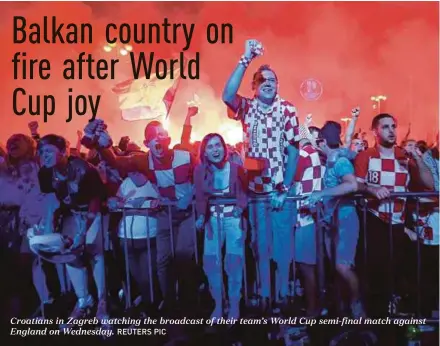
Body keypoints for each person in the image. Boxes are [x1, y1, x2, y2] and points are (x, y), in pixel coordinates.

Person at [83, 120, 198, 315]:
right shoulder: (144, 160)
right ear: (146, 143)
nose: (158, 140)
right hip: (164, 214)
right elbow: (115, 162)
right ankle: (170, 303)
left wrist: (191, 194)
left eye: (161, 135)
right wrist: (103, 143)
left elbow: (203, 177)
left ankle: (189, 302)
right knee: (162, 262)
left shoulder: (186, 156)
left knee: (183, 257)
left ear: (169, 139)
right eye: (153, 137)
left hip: (185, 214)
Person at [222, 39, 300, 309]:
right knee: (261, 249)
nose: (269, 83)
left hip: (279, 194)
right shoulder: (247, 107)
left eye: (273, 80)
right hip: (256, 194)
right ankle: (265, 298)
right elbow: (226, 95)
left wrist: (286, 188)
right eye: (262, 79)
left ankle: (281, 299)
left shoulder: (288, 109)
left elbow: (293, 151)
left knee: (282, 252)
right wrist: (246, 59)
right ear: (254, 87)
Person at [354, 113, 434, 317]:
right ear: (375, 131)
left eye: (393, 126)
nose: (391, 130)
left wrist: (417, 158)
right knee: (377, 270)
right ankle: (377, 316)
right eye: (386, 127)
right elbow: (356, 184)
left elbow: (429, 184)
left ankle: (396, 310)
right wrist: (371, 189)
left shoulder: (404, 157)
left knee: (398, 268)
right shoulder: (367, 155)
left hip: (398, 222)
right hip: (374, 219)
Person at [32, 134, 109, 327]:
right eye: (41, 152)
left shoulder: (84, 169)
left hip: (91, 213)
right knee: (70, 255)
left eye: (49, 151)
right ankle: (83, 300)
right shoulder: (45, 173)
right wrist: (46, 224)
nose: (44, 156)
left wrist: (84, 231)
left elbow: (95, 200)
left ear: (63, 152)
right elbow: (51, 200)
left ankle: (103, 303)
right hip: (70, 213)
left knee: (94, 253)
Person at [307, 121, 365, 318]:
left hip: (346, 219)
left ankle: (358, 306)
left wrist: (322, 193)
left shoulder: (340, 161)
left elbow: (352, 185)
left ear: (323, 141)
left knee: (343, 266)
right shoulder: (330, 158)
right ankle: (344, 309)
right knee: (337, 267)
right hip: (332, 220)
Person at [194, 133, 247, 320]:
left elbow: (244, 193)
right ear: (205, 152)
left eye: (218, 145)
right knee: (211, 264)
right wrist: (201, 216)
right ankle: (218, 304)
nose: (215, 149)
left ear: (224, 148)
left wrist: (240, 208)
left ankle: (234, 306)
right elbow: (200, 196)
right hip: (212, 222)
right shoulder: (200, 171)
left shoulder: (236, 168)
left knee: (233, 263)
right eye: (210, 147)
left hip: (233, 221)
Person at [108, 170, 160, 317]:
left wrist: (145, 201)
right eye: (130, 172)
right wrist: (114, 201)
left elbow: (162, 201)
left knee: (147, 276)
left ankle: (149, 308)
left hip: (148, 236)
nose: (132, 175)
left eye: (136, 171)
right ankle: (143, 304)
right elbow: (117, 201)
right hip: (126, 237)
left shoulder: (153, 184)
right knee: (135, 275)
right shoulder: (126, 183)